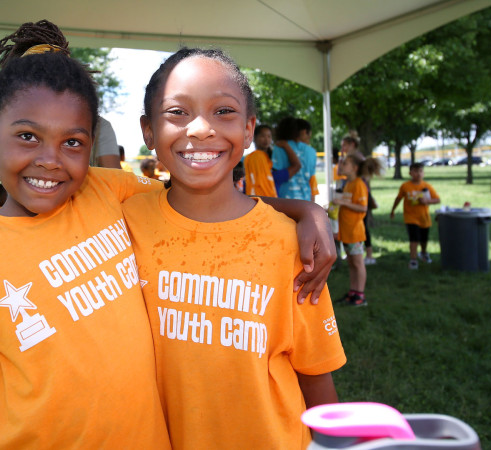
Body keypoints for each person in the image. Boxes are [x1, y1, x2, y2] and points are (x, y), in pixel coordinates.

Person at [0, 20, 336, 448]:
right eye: (27, 136)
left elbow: (200, 195)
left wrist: (306, 210)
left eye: (72, 143)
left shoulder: (106, 190)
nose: (49, 160)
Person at [123, 47, 345, 449]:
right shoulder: (122, 218)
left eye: (223, 111)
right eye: (177, 112)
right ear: (148, 130)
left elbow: (316, 372)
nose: (201, 129)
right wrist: (307, 207)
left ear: (248, 129)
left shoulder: (290, 242)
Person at [332, 153, 369, 306]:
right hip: (346, 231)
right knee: (352, 263)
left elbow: (363, 207)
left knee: (358, 263)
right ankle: (353, 292)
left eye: (345, 163)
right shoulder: (347, 184)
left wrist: (343, 203)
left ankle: (360, 295)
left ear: (355, 168)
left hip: (355, 232)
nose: (342, 166)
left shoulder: (359, 184)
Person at [390, 162, 441, 269]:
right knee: (414, 239)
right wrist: (393, 210)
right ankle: (413, 260)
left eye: (420, 171)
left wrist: (427, 201)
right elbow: (398, 198)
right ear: (410, 173)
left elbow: (437, 199)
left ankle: (423, 253)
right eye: (415, 171)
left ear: (423, 173)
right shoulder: (405, 186)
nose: (418, 174)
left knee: (424, 239)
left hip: (424, 218)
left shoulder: (426, 186)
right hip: (411, 217)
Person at [277, 118, 317, 201]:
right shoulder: (312, 152)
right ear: (304, 132)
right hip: (305, 202)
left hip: (282, 203)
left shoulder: (279, 147)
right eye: (309, 136)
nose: (309, 139)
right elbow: (312, 181)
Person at [243, 124, 277, 196]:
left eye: (269, 136)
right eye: (263, 136)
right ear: (254, 138)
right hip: (262, 199)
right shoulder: (256, 156)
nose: (266, 139)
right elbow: (260, 183)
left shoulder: (269, 158)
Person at [360, 158, 383, 265]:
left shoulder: (360, 180)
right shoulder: (363, 179)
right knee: (364, 229)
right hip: (364, 205)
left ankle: (368, 255)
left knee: (364, 229)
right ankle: (366, 254)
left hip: (362, 205)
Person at [271, 116, 302, 194]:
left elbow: (276, 172)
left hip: (283, 196)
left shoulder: (278, 146)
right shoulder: (308, 149)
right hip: (303, 196)